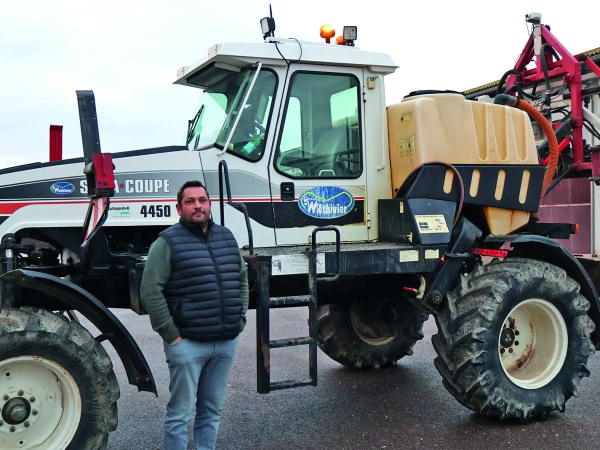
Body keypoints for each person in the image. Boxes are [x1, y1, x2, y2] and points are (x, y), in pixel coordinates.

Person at [140, 180, 248, 450]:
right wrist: (172, 335)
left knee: (211, 412)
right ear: (179, 207)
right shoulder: (167, 242)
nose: (197, 206)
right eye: (190, 201)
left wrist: (240, 318)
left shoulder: (226, 236)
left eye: (202, 200)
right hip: (187, 344)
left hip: (225, 342)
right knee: (180, 415)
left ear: (210, 204)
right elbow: (150, 290)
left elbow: (242, 278)